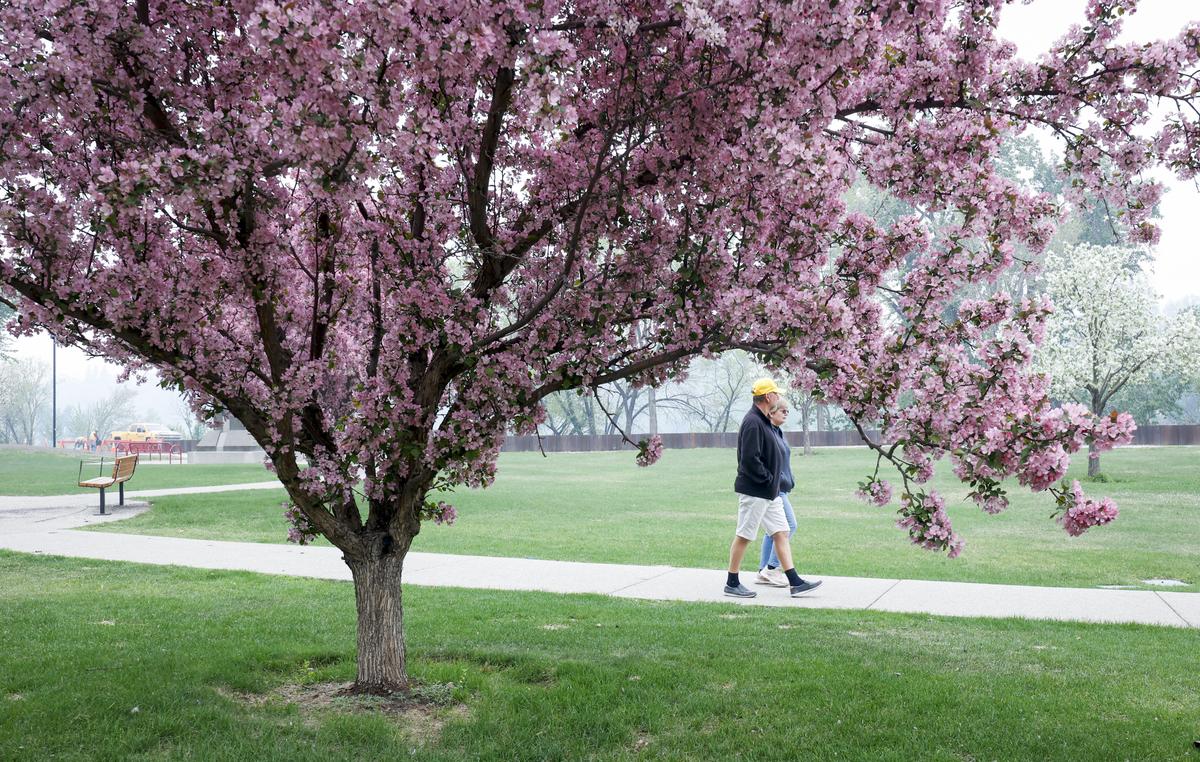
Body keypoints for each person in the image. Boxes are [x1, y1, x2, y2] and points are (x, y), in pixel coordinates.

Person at [723, 378, 822, 599]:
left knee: (782, 532)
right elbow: (749, 460)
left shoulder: (764, 420)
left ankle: (795, 582)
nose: (778, 397)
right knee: (745, 535)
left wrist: (773, 484)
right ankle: (732, 582)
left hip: (770, 492)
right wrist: (769, 479)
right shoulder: (753, 422)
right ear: (768, 397)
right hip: (756, 491)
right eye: (776, 394)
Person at [755, 399, 798, 587]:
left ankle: (763, 570)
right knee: (790, 526)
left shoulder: (779, 432)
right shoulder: (768, 433)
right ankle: (771, 569)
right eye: (783, 410)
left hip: (782, 488)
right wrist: (775, 481)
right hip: (775, 489)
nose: (786, 414)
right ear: (771, 412)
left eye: (787, 411)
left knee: (772, 532)